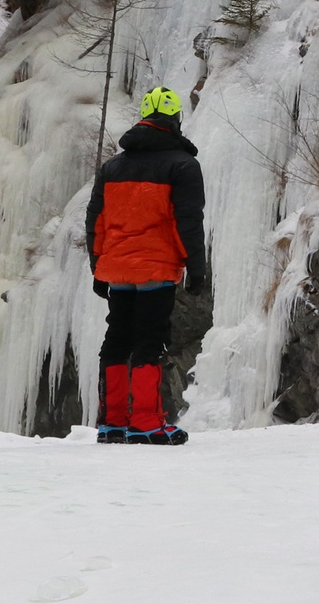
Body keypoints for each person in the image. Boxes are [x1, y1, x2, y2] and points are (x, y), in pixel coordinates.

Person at [85, 84, 207, 445]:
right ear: (174, 119)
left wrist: (98, 266)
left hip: (118, 269)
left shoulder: (113, 167)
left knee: (117, 338)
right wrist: (196, 267)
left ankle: (112, 423)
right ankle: (147, 422)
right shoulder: (183, 165)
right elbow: (188, 220)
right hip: (155, 268)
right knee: (150, 341)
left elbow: (97, 219)